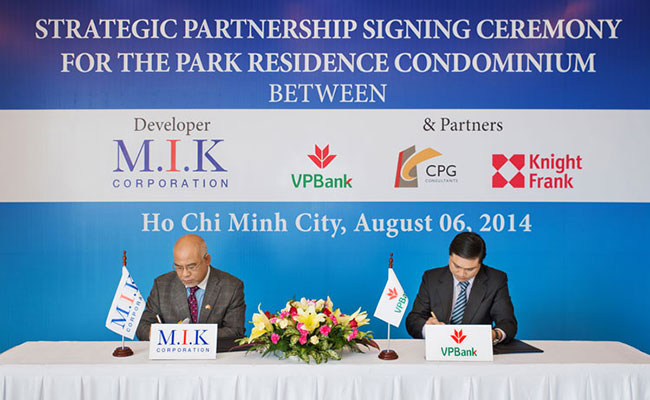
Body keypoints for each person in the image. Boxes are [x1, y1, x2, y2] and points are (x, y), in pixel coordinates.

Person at [405, 232, 516, 344]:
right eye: (456, 266)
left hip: (475, 348)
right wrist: (428, 328)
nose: (462, 274)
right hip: (439, 346)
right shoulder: (431, 278)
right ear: (449, 257)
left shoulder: (496, 280)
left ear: (480, 263)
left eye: (470, 269)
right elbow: (413, 319)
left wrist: (495, 334)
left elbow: (507, 323)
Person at [136, 234, 246, 346]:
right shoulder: (162, 285)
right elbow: (142, 327)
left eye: (191, 267)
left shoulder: (231, 287)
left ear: (207, 260)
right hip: (173, 355)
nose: (185, 274)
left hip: (216, 355)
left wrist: (188, 336)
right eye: (179, 267)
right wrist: (154, 333)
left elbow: (235, 332)